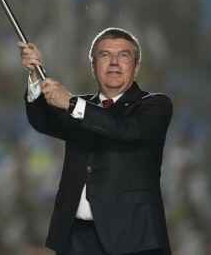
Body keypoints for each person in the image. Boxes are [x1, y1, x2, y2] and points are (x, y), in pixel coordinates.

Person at [20, 28, 172, 255]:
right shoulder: (79, 106)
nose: (113, 62)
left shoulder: (155, 106)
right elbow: (43, 121)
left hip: (135, 240)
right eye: (104, 55)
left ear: (136, 66)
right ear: (93, 65)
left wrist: (72, 104)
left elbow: (124, 129)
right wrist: (34, 75)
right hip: (77, 240)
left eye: (123, 55)